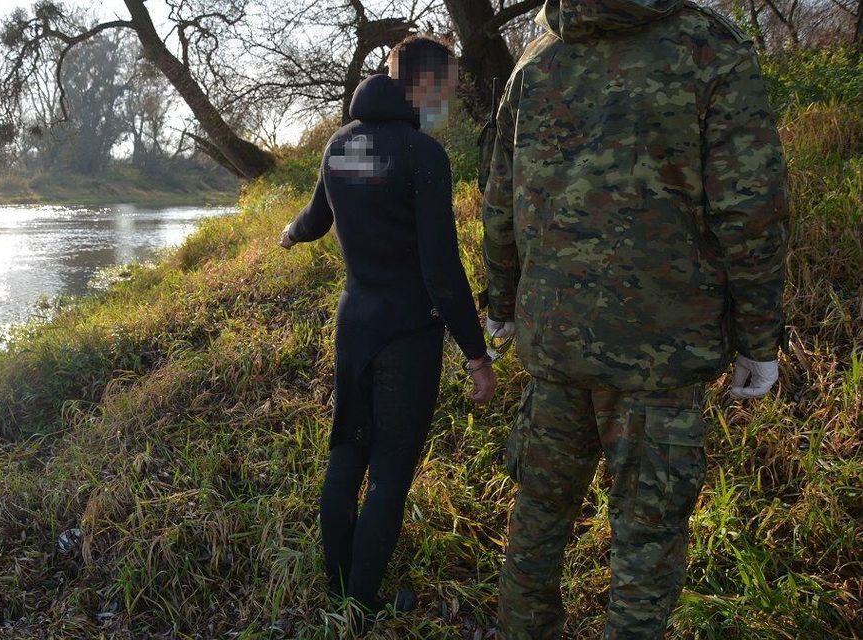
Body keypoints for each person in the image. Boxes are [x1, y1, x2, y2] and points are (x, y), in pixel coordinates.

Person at [481, 0, 789, 636]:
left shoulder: (536, 63)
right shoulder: (709, 49)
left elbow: (500, 199)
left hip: (556, 343)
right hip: (662, 352)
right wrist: (759, 339)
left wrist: (502, 303)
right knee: (646, 544)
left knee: (536, 523)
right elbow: (750, 208)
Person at [278, 35, 498, 624]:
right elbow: (441, 269)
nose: (446, 103)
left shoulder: (340, 145)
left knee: (346, 459)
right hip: (407, 336)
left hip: (355, 328)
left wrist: (292, 234)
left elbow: (317, 217)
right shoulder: (422, 156)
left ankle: (337, 596)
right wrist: (477, 356)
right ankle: (361, 606)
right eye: (446, 90)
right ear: (422, 85)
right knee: (390, 476)